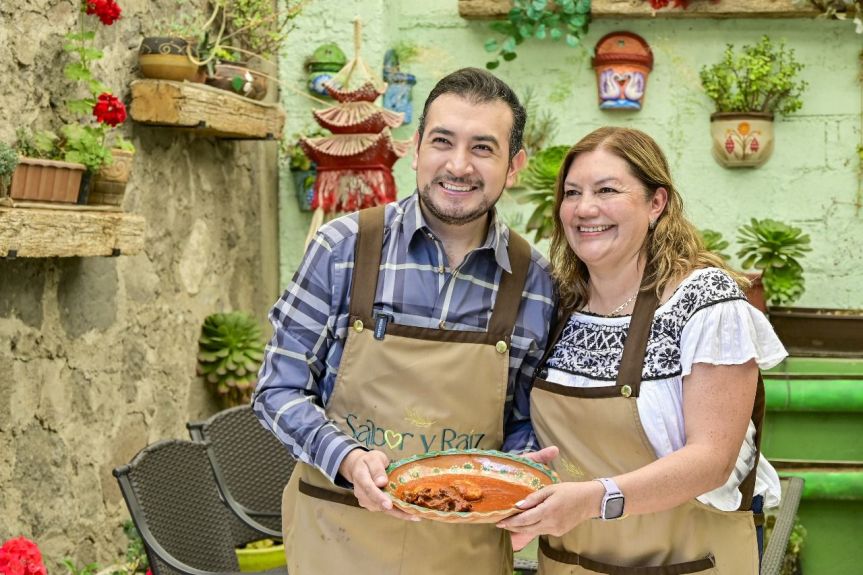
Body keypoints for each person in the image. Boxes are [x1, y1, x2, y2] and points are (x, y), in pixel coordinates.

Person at [252, 67, 556, 575]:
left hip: (465, 554)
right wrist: (346, 458)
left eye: (483, 148)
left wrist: (522, 478)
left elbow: (525, 419)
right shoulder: (342, 248)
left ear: (515, 165)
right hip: (338, 536)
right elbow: (277, 389)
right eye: (442, 141)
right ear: (415, 148)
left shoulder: (535, 283)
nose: (458, 165)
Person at [498, 127, 787, 574]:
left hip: (688, 562)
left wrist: (592, 500)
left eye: (607, 190)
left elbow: (711, 459)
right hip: (569, 563)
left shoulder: (705, 301)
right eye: (571, 193)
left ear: (657, 203)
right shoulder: (558, 305)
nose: (584, 208)